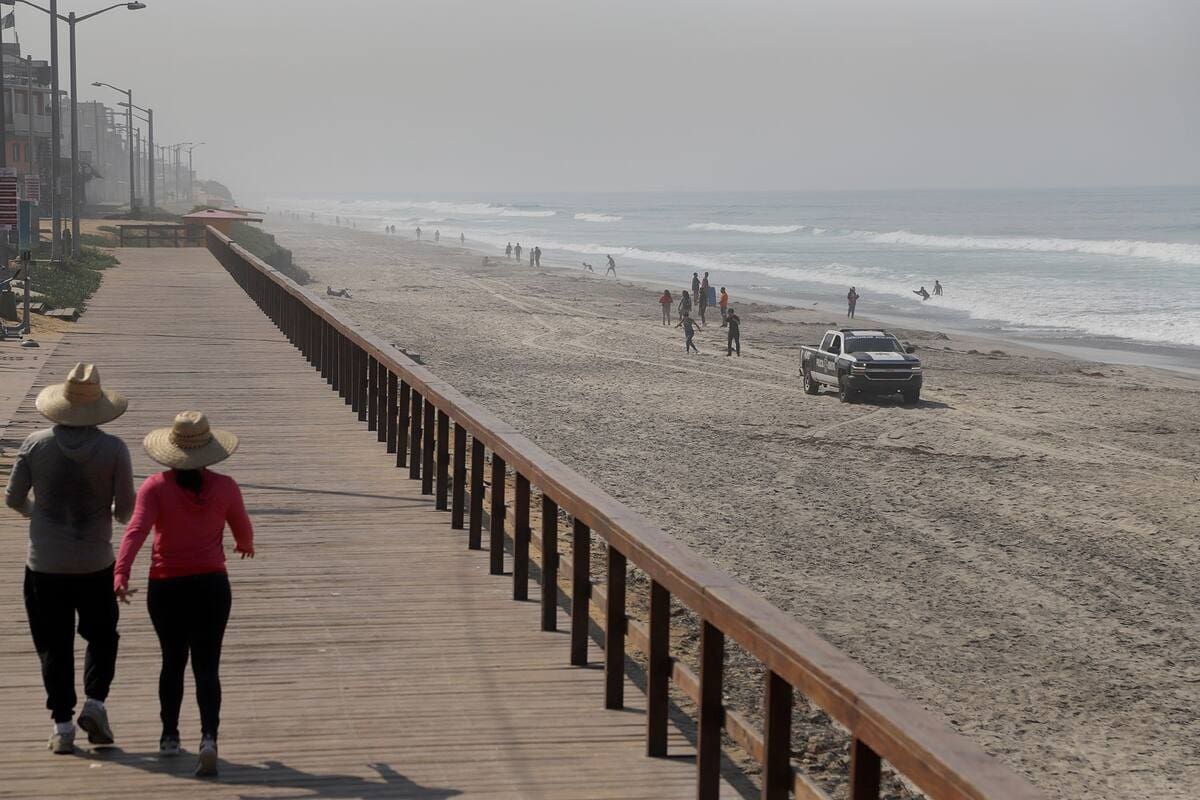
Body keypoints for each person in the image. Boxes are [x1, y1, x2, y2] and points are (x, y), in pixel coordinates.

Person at [115, 411, 254, 778]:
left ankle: (169, 736)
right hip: (211, 586)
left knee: (172, 661)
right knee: (207, 666)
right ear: (209, 450)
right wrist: (244, 545)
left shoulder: (156, 487)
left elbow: (136, 531)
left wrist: (121, 572)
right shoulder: (225, 487)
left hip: (166, 587)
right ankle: (209, 738)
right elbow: (243, 529)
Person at [6, 363, 134, 755]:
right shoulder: (113, 449)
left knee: (53, 644)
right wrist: (109, 513)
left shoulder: (35, 444)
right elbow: (126, 509)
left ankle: (62, 727)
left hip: (44, 563)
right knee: (102, 636)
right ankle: (95, 703)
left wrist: (37, 515)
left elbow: (12, 498)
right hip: (95, 560)